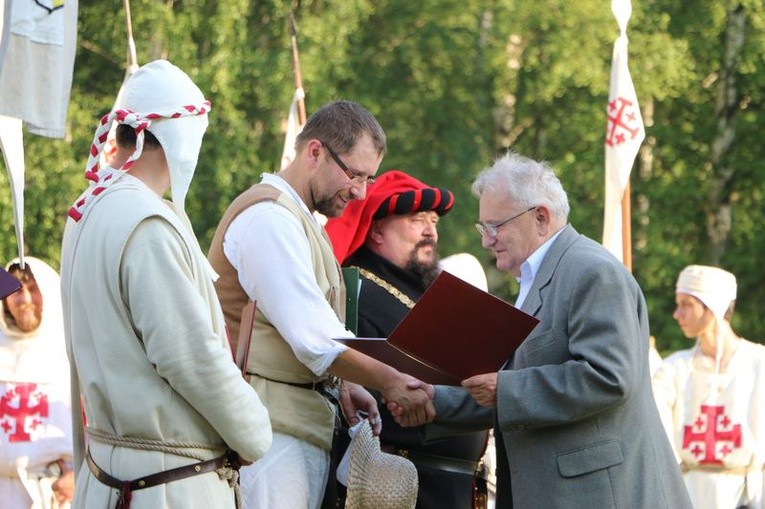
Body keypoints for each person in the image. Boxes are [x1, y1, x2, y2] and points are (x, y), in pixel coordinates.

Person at [393, 152, 692, 508]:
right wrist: (432, 401)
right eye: (482, 228)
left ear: (541, 217)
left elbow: (608, 377)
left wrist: (504, 388)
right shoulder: (538, 279)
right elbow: (515, 391)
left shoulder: (591, 271)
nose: (486, 240)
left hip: (601, 496)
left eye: (495, 226)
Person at [60, 60, 272, 508]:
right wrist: (255, 431)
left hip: (112, 478)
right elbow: (190, 358)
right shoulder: (145, 222)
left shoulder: (87, 210)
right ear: (181, 137)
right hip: (164, 488)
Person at [207, 100, 435, 509]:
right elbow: (314, 339)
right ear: (315, 152)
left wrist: (346, 382)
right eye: (355, 174)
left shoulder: (297, 218)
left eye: (370, 178)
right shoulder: (268, 218)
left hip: (285, 432)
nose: (362, 192)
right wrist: (391, 381)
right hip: (264, 439)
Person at [325, 170, 489, 508]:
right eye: (417, 220)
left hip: (454, 487)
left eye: (434, 221)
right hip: (400, 487)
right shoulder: (355, 292)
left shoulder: (426, 294)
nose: (431, 231)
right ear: (377, 229)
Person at [652, 265, 765, 508]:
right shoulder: (673, 370)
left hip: (749, 496)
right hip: (689, 495)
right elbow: (655, 436)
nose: (676, 314)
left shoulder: (760, 363)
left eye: (686, 304)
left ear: (711, 306)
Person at [1, 257, 74, 508]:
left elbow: (100, 425)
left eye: (33, 289)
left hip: (55, 495)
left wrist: (80, 475)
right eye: (16, 291)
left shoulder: (73, 351)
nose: (25, 300)